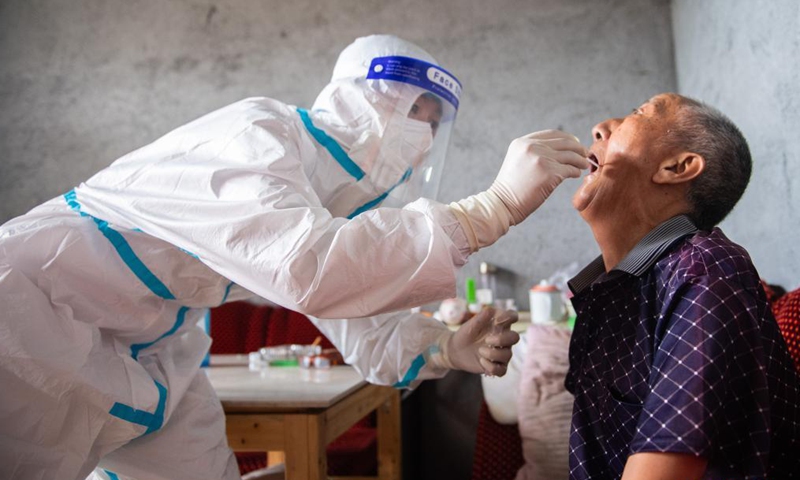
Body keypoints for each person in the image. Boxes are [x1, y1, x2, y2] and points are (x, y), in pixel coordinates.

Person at [0, 34, 587, 480]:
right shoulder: (260, 133)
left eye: (436, 126)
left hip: (158, 338)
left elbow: (362, 321)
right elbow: (306, 269)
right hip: (42, 303)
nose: (425, 139)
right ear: (364, 97)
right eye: (417, 114)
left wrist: (442, 346)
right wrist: (492, 208)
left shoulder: (329, 207)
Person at [565, 93, 800, 479]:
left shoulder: (705, 267)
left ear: (677, 167)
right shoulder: (606, 293)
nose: (600, 127)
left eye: (637, 112)